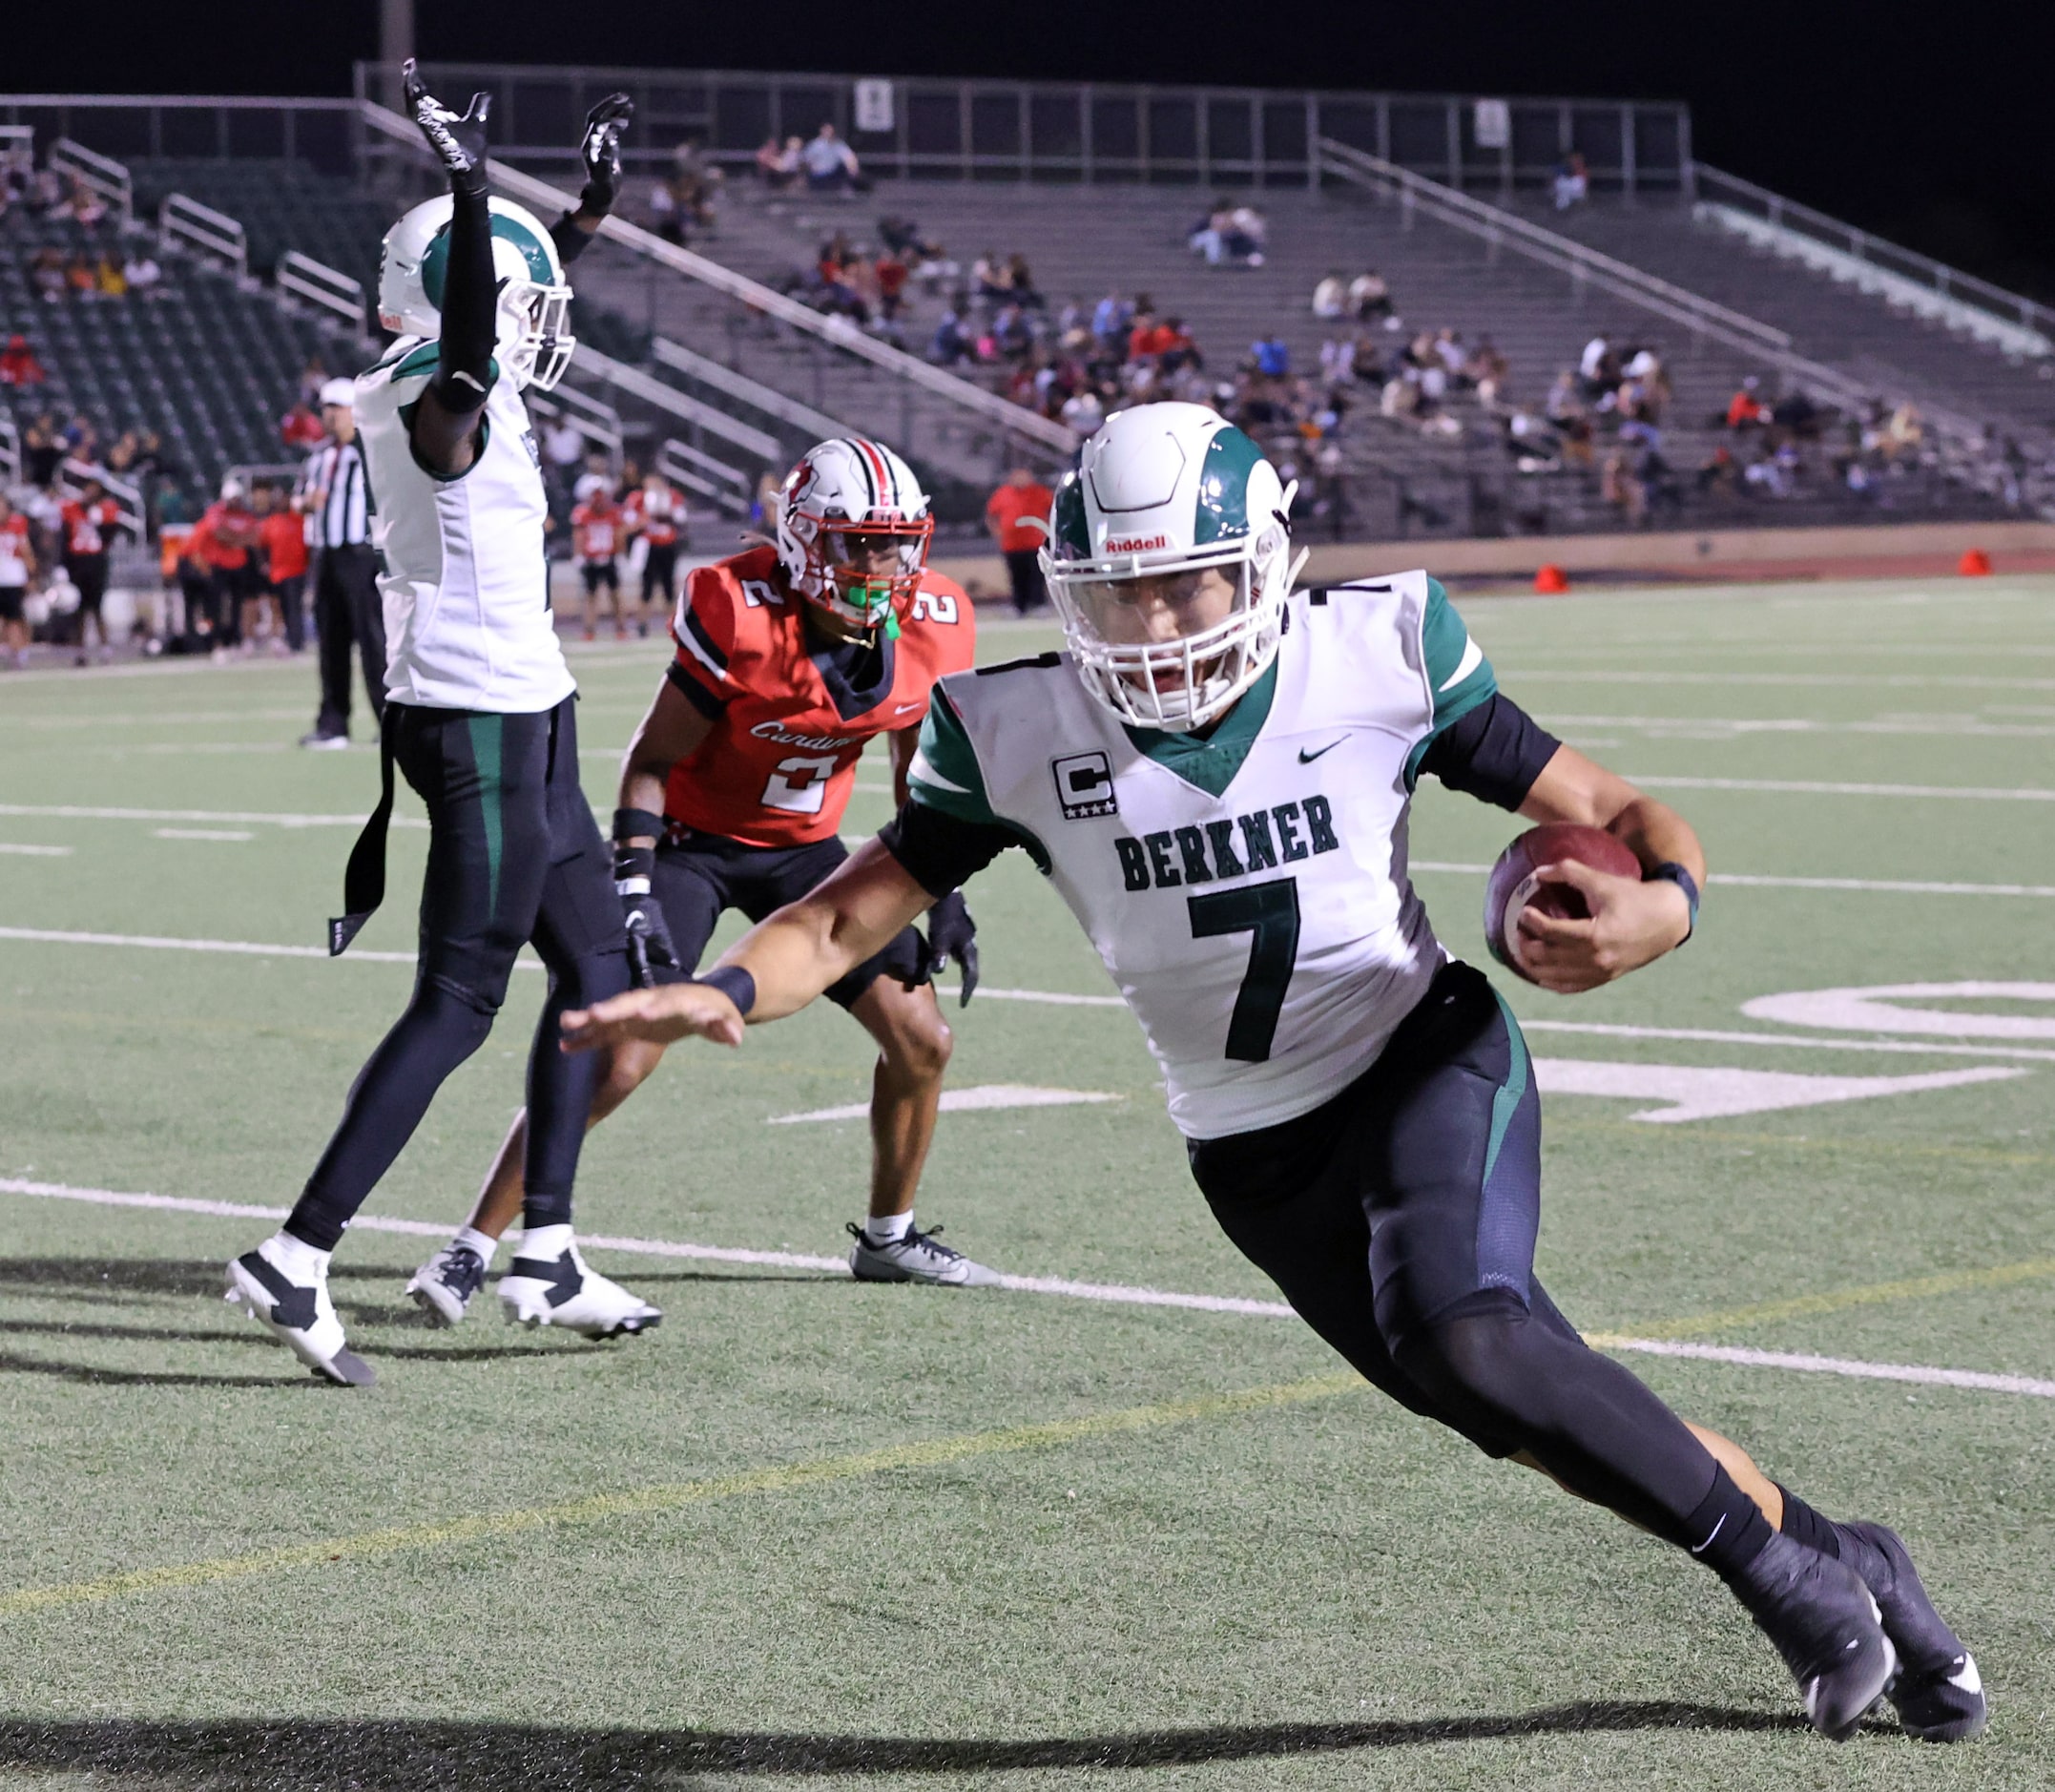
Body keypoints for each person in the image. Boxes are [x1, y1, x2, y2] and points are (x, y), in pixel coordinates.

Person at [563, 401, 1986, 1750]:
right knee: (1520, 1404)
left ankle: (1781, 1586)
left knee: (1468, 1330)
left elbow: (1610, 807)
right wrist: (724, 983)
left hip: (1419, 1051)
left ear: (1258, 564)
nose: (1155, 621)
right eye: (1120, 593)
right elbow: (837, 917)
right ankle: (1845, 1552)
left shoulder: (1376, 649)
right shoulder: (1013, 727)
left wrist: (1661, 905)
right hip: (1248, 1146)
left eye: (1184, 584)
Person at [222, 66, 656, 1384]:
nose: (538, 317)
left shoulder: (457, 375)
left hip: (531, 711)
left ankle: (547, 1248)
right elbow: (472, 334)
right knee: (461, 1000)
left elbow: (500, 305)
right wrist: (473, 186)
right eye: (516, 294)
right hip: (472, 719)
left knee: (600, 982)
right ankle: (296, 1258)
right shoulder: (433, 400)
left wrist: (579, 215)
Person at [405, 438, 992, 1320]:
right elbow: (650, 762)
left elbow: (923, 775)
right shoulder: (738, 607)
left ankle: (888, 1237)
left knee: (922, 1039)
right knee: (625, 1054)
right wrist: (635, 883)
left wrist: (942, 891)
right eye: (856, 542)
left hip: (806, 850)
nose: (880, 564)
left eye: (893, 542)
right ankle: (473, 1244)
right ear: (801, 541)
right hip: (693, 843)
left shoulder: (935, 622)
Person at [297, 378, 383, 746]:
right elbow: (298, 502)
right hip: (327, 556)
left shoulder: (373, 452)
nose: (329, 416)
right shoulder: (318, 457)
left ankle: (389, 721)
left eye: (337, 408)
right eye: (325, 409)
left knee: (375, 641)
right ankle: (333, 724)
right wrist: (304, 504)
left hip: (362, 555)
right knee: (331, 642)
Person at [58, 475, 123, 665]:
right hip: (77, 562)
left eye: (94, 489)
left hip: (96, 562)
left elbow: (108, 540)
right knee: (78, 611)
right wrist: (62, 566)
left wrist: (100, 522)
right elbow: (64, 538)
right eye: (88, 488)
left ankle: (105, 649)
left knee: (97, 607)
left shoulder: (106, 510)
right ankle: (80, 652)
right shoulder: (71, 509)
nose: (90, 492)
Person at [984, 466, 1053, 615]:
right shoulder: (1002, 494)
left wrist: (1049, 530)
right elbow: (991, 515)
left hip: (1035, 543)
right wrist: (996, 532)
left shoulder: (1040, 492)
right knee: (1017, 576)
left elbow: (1053, 509)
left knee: (1037, 575)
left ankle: (1038, 604)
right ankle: (1019, 606)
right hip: (1012, 545)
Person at [624, 470, 687, 621]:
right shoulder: (637, 498)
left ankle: (674, 623)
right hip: (649, 546)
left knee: (669, 586)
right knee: (647, 586)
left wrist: (667, 513)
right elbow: (629, 524)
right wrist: (644, 519)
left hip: (668, 545)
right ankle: (642, 623)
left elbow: (681, 518)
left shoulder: (672, 496)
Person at [257, 478, 310, 653]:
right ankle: (290, 639)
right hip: (278, 573)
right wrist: (264, 563)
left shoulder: (299, 519)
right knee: (282, 608)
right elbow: (260, 545)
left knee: (295, 607)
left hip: (297, 570)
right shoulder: (271, 521)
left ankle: (297, 642)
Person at [571, 484, 631, 640]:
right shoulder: (583, 513)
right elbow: (579, 535)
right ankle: (589, 629)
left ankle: (621, 628)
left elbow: (619, 535)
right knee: (590, 596)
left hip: (609, 557)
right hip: (591, 558)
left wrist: (620, 554)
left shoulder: (614, 513)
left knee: (615, 594)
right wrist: (578, 555)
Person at [0, 492, 34, 669]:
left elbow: (26, 551)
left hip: (13, 579)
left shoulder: (17, 524)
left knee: (15, 619)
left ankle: (19, 655)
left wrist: (31, 575)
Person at [799, 122, 859, 194]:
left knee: (843, 168)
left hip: (833, 175)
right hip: (817, 176)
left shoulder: (838, 144)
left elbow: (849, 158)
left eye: (831, 130)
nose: (829, 132)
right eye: (827, 130)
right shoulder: (815, 145)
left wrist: (853, 168)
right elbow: (805, 161)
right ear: (822, 130)